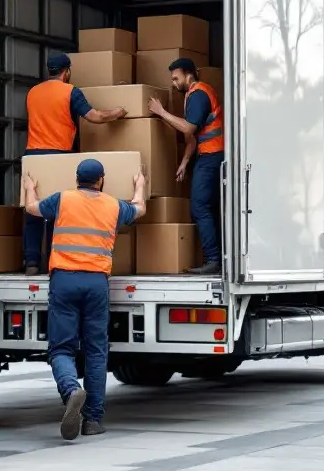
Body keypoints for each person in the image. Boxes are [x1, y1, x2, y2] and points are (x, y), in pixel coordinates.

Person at [23, 159, 146, 440]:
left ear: (76, 178)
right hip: (96, 283)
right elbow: (140, 209)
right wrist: (139, 186)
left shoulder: (62, 199)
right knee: (96, 351)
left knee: (61, 349)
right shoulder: (113, 205)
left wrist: (30, 188)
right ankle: (92, 419)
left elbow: (32, 209)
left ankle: (70, 390)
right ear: (101, 180)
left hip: (64, 280)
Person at [23, 52, 128, 275]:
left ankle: (31, 262)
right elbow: (94, 117)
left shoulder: (32, 92)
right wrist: (117, 113)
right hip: (58, 154)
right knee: (56, 210)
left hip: (32, 155)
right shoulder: (71, 92)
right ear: (67, 71)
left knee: (32, 209)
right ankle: (53, 259)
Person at [147, 57, 223, 276]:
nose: (173, 83)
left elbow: (188, 128)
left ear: (188, 75)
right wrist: (185, 161)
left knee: (199, 207)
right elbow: (194, 136)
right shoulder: (192, 95)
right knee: (207, 207)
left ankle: (213, 260)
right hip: (207, 155)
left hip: (212, 156)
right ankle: (216, 258)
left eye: (175, 78)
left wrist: (161, 112)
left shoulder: (199, 94)